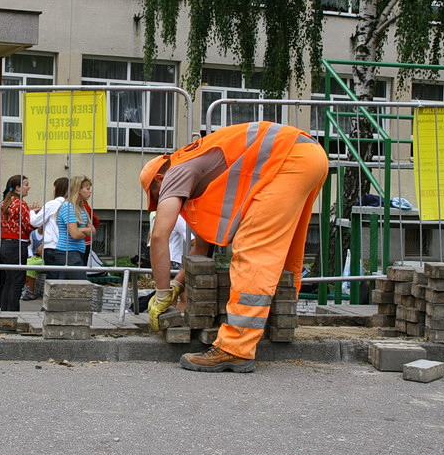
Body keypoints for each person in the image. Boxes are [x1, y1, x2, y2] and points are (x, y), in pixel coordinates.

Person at [140, 121, 328, 372]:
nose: (163, 200)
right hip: (308, 154)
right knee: (287, 248)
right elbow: (201, 248)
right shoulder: (203, 169)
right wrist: (177, 285)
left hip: (289, 159)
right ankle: (278, 320)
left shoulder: (176, 170)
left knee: (254, 250)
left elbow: (160, 236)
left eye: (158, 194)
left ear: (160, 179)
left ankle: (235, 349)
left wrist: (161, 292)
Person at [0, 175, 38, 311]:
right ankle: (13, 312)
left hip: (4, 245)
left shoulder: (4, 203)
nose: (28, 187)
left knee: (8, 280)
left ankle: (5, 311)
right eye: (26, 184)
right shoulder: (20, 204)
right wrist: (34, 216)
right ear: (17, 188)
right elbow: (28, 226)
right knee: (17, 282)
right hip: (17, 245)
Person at [52, 175, 94, 280]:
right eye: (87, 189)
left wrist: (81, 229)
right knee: (81, 286)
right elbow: (75, 234)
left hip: (76, 252)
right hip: (68, 252)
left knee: (65, 288)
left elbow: (93, 230)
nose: (90, 192)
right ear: (79, 190)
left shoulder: (81, 207)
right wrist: (84, 231)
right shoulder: (68, 206)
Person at [29, 176, 68, 279]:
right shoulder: (70, 205)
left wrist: (32, 211)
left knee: (53, 279)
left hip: (52, 246)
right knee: (63, 277)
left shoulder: (52, 204)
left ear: (58, 188)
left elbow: (35, 222)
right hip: (66, 246)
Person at [22, 228, 43, 301]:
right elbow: (30, 247)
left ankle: (30, 290)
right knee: (26, 262)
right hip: (33, 257)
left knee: (30, 265)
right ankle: (26, 286)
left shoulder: (48, 233)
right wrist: (31, 255)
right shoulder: (33, 233)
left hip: (42, 258)